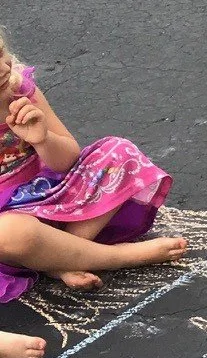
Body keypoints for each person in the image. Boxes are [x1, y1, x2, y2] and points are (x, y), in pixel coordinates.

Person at [0, 28, 187, 321]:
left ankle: (61, 257)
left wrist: (42, 139)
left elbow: (67, 160)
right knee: (12, 234)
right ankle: (117, 257)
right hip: (10, 224)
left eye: (0, 53)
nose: (3, 68)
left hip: (49, 194)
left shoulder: (19, 89)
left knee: (118, 151)